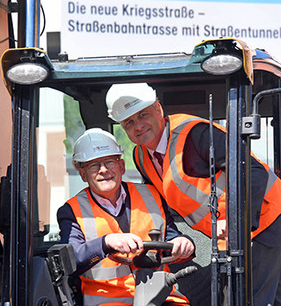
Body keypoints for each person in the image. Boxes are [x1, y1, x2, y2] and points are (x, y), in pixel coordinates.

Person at [106, 83, 281, 306]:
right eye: (129, 122)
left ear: (158, 109)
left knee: (244, 298)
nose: (138, 126)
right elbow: (160, 207)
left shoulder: (195, 134)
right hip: (230, 232)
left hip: (264, 214)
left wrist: (238, 223)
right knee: (274, 298)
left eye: (143, 115)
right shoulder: (141, 157)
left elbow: (252, 172)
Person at [57, 128, 195, 306]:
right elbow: (71, 260)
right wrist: (105, 243)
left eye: (110, 162)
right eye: (93, 165)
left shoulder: (152, 194)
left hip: (160, 294)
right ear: (83, 174)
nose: (104, 170)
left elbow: (170, 238)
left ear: (121, 166)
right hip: (107, 300)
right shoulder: (72, 211)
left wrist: (183, 242)